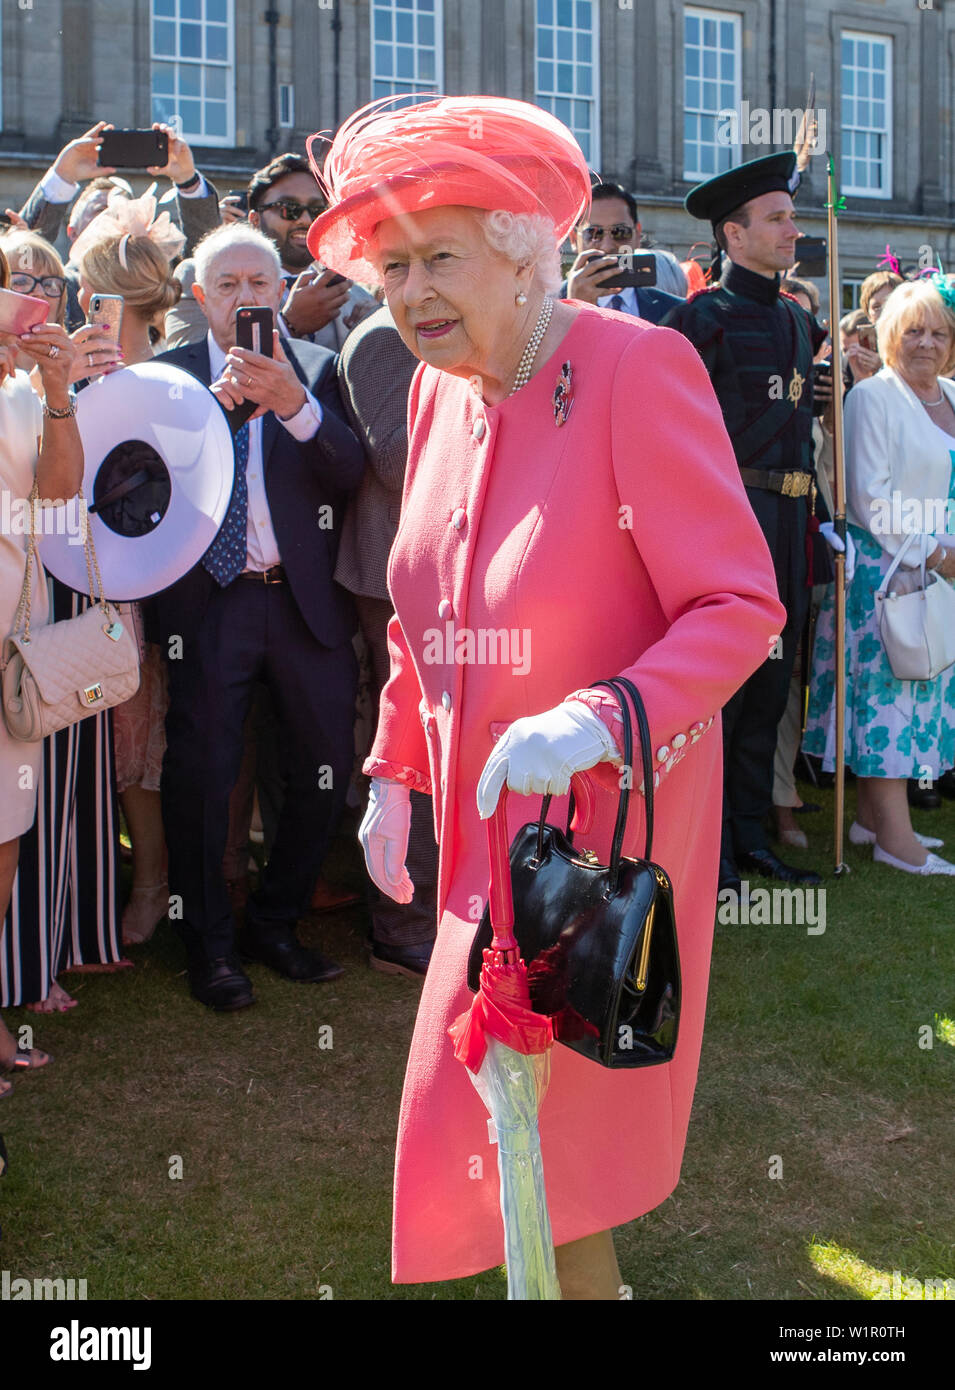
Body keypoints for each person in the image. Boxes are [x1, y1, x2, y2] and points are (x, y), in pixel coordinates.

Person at [309, 95, 785, 1296]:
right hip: (483, 841)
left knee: (547, 1139)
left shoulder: (635, 365)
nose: (411, 290)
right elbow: (429, 616)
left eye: (440, 257)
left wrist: (598, 714)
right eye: (393, 264)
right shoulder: (435, 390)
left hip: (601, 843)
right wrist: (392, 774)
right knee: (495, 1128)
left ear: (525, 248)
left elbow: (739, 608)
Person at [152, 222, 364, 1010]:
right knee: (203, 774)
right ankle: (207, 946)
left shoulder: (318, 366)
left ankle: (277, 923)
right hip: (210, 603)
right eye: (230, 286)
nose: (248, 298)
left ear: (284, 290)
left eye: (261, 283)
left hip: (304, 601)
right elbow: (135, 490)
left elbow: (349, 473)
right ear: (201, 297)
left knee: (322, 769)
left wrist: (295, 407)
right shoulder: (165, 377)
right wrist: (208, 417)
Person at [663, 151, 848, 892]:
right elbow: (675, 436)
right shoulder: (697, 318)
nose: (791, 231)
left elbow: (803, 428)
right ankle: (703, 849)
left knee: (772, 687)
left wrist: (827, 518)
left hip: (791, 519)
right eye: (776, 219)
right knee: (723, 690)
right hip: (726, 518)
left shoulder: (803, 323)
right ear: (732, 234)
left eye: (793, 217)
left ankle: (748, 842)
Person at [804, 279, 955, 874]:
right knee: (885, 700)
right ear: (890, 333)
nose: (926, 343)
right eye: (914, 330)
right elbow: (869, 500)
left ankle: (870, 821)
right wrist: (938, 553)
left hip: (938, 573)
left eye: (939, 333)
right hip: (887, 573)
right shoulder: (872, 397)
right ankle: (898, 839)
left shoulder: (951, 393)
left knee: (922, 688)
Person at [74, 193, 185, 945]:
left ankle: (152, 887)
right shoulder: (75, 366)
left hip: (154, 582)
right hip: (72, 571)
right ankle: (101, 887)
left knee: (138, 742)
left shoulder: (177, 380)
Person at [0, 245, 83, 1089]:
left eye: (43, 285)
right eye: (12, 282)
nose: (27, 299)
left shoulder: (32, 399)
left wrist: (59, 397)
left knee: (0, 836)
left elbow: (59, 497)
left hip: (13, 641)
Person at [334, 304, 439, 977]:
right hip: (394, 577)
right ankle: (399, 925)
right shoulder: (381, 335)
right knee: (405, 749)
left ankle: (444, 907)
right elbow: (398, 460)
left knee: (445, 745)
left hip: (451, 573)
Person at [17, 122, 219, 333]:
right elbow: (19, 261)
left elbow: (205, 262)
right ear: (73, 232)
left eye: (121, 210)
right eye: (100, 209)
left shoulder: (154, 286)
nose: (110, 216)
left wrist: (188, 181)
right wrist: (63, 175)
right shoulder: (55, 287)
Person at [166, 154, 377, 351]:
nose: (304, 219)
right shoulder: (198, 278)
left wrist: (375, 337)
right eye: (289, 209)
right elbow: (190, 364)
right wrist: (287, 325)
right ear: (255, 220)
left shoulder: (354, 297)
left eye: (316, 211)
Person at [562, 181, 684, 321]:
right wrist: (575, 311)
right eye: (594, 233)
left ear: (637, 235)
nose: (607, 246)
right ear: (573, 239)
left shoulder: (675, 311)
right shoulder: (544, 307)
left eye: (620, 232)